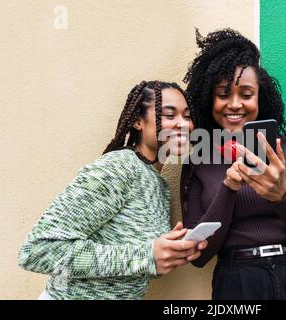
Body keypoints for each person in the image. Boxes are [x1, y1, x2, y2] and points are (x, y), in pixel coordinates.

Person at [18, 80, 207, 300]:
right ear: (138, 121)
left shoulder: (159, 184)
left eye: (187, 116)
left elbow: (130, 265)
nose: (183, 124)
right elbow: (37, 251)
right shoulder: (118, 168)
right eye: (169, 115)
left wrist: (167, 253)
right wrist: (146, 255)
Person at [181, 29, 286, 300]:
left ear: (260, 99)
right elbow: (199, 256)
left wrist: (282, 196)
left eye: (246, 94)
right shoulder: (197, 160)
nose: (234, 104)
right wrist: (228, 188)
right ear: (209, 100)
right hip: (238, 283)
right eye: (223, 94)